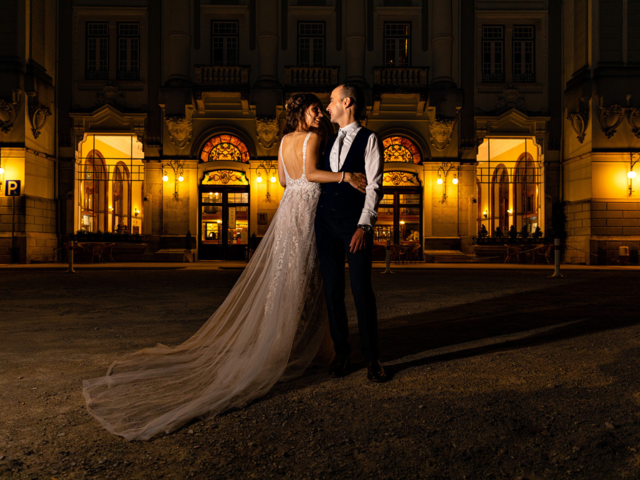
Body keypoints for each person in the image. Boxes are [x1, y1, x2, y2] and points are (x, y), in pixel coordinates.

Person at [82, 93, 367, 441]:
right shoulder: (312, 138)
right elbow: (309, 172)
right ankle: (312, 348)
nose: (320, 115)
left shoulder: (281, 142)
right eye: (314, 110)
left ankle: (287, 343)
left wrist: (302, 187)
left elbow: (282, 180)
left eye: (320, 110)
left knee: (285, 278)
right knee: (309, 280)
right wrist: (343, 176)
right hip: (305, 213)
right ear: (300, 114)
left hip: (288, 209)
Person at [316, 84, 386, 382]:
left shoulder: (370, 139)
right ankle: (342, 353)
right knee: (332, 291)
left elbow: (374, 185)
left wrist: (364, 225)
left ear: (347, 102)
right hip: (325, 224)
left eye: (331, 101)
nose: (327, 106)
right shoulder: (327, 140)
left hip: (354, 224)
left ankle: (372, 358)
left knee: (361, 290)